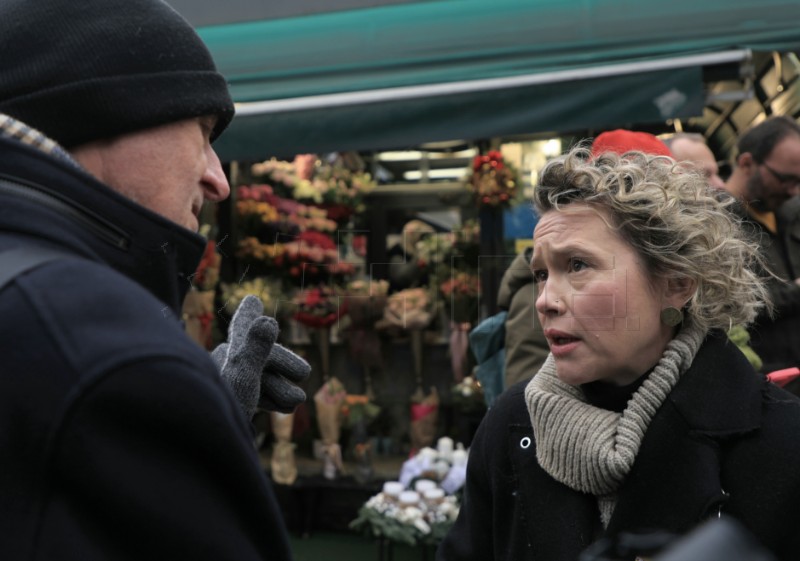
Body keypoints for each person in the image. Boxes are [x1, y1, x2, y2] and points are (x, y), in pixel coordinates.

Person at [0, 1, 309, 559]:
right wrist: (169, 398)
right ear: (108, 110)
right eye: (203, 130)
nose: (219, 181)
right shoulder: (97, 345)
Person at [437, 145, 800, 561]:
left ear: (676, 284)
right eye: (541, 274)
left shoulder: (782, 441)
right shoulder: (511, 423)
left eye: (577, 265)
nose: (545, 300)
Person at [722, 116, 800, 376]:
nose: (793, 191)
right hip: (767, 377)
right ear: (747, 163)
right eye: (784, 179)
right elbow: (728, 307)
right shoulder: (716, 227)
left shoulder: (789, 214)